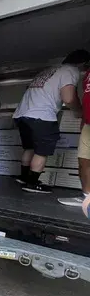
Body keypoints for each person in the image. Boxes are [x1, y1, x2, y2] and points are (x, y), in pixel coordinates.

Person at [13, 49, 90, 194]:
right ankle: (32, 183)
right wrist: (79, 111)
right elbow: (68, 98)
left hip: (22, 114)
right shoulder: (71, 70)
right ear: (82, 63)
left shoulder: (50, 70)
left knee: (29, 147)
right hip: (41, 116)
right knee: (42, 151)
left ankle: (24, 178)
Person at [58, 65, 90, 206]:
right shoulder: (88, 74)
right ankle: (87, 197)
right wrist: (84, 121)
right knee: (84, 162)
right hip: (88, 124)